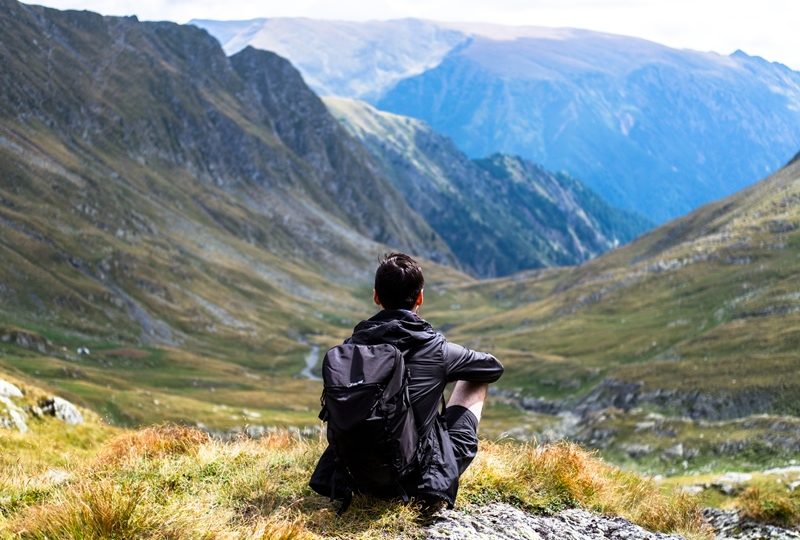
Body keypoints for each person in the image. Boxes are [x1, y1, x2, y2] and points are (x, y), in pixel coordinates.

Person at [309, 252, 504, 508]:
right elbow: (493, 368)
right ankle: (432, 474)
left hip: (354, 476)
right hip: (417, 482)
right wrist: (443, 370)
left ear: (376, 296)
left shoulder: (352, 348)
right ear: (420, 297)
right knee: (475, 379)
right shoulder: (437, 349)